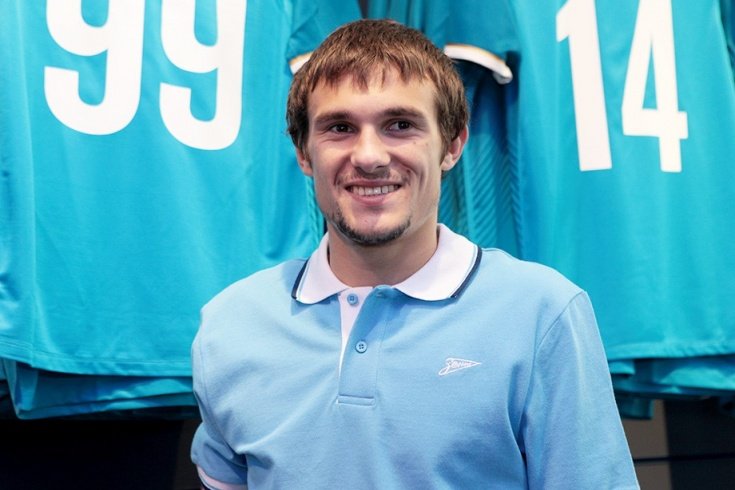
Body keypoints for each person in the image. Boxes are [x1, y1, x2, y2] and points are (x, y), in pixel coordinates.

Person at [190, 19, 639, 489]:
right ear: (303, 153)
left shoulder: (542, 314)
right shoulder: (229, 325)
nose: (369, 156)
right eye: (340, 127)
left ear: (452, 144)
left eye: (400, 125)